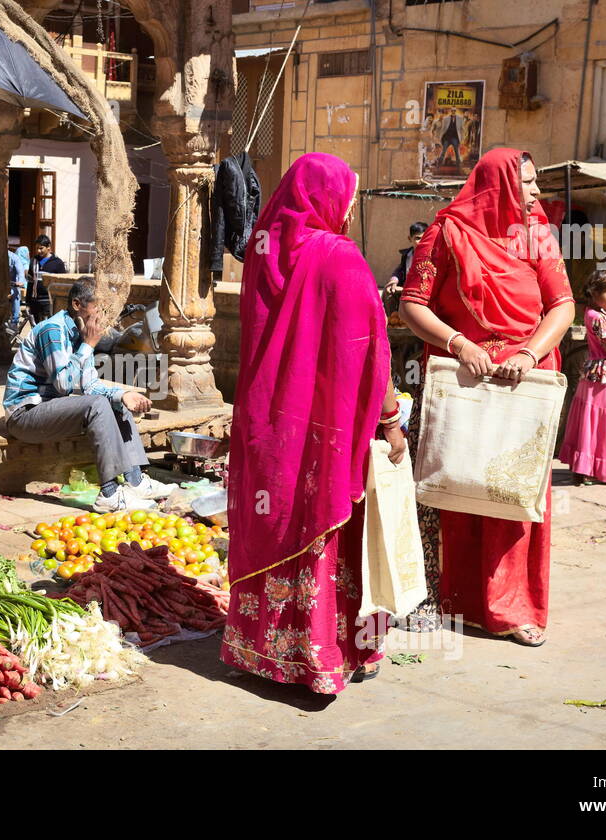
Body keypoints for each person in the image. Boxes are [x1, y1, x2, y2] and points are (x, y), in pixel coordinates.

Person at [221, 153, 406, 694]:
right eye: (347, 201)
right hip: (325, 429)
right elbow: (368, 356)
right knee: (326, 523)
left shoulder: (263, 249)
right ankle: (330, 654)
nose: (348, 213)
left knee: (273, 518)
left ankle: (259, 649)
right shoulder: (341, 258)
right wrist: (391, 419)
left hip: (267, 423)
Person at [399, 148, 575, 646]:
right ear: (498, 184)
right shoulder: (447, 231)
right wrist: (460, 344)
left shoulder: (537, 234)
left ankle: (513, 607)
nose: (536, 192)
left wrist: (528, 353)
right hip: (464, 379)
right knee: (457, 485)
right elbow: (413, 304)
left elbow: (561, 305)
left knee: (514, 490)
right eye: (527, 183)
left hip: (527, 378)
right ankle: (454, 599)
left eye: (537, 183)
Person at [4, 276, 172, 514]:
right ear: (77, 305)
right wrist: (89, 345)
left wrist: (123, 395)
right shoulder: (52, 330)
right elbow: (63, 384)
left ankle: (135, 481)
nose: (101, 315)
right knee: (97, 404)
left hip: (50, 411)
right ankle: (110, 494)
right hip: (25, 415)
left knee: (115, 400)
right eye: (98, 308)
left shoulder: (80, 334)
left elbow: (90, 384)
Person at [558, 271, 606, 486]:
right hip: (601, 378)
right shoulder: (596, 317)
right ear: (594, 292)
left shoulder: (594, 313)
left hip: (600, 376)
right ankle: (590, 468)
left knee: (591, 420)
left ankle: (585, 468)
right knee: (600, 420)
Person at [25, 234, 66, 321]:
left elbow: (63, 284)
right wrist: (28, 302)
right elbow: (30, 282)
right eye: (37, 248)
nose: (38, 251)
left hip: (49, 302)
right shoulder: (33, 261)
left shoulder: (58, 263)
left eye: (41, 248)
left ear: (48, 247)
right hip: (35, 302)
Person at [384, 221, 429, 297]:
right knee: (388, 293)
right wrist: (394, 281)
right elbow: (400, 270)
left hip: (422, 293)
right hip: (406, 289)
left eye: (424, 238)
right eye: (417, 238)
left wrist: (404, 289)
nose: (421, 242)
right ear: (409, 239)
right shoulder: (407, 255)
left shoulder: (430, 257)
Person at [8, 245, 30, 325]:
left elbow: (20, 272)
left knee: (15, 293)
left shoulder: (14, 258)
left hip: (11, 284)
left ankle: (15, 320)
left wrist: (20, 281)